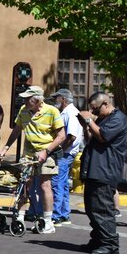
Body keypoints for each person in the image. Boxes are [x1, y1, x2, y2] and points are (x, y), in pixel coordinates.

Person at [0, 86, 65, 234]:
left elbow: (62, 136)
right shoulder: (24, 110)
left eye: (28, 98)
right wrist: (5, 147)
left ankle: (48, 221)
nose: (25, 100)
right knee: (24, 184)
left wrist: (46, 151)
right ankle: (20, 218)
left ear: (37, 100)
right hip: (28, 153)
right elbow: (16, 130)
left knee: (44, 185)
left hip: (47, 152)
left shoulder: (52, 111)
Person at [77, 92, 127, 254]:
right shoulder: (102, 119)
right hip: (94, 170)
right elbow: (91, 137)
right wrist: (86, 125)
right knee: (92, 209)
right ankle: (98, 240)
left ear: (105, 103)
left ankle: (110, 245)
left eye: (95, 109)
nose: (94, 112)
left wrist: (89, 120)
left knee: (102, 210)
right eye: (92, 110)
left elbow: (103, 136)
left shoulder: (118, 119)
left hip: (105, 171)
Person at [49, 88, 83, 226]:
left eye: (56, 98)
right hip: (66, 153)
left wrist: (60, 150)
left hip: (66, 154)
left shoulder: (71, 112)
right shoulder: (67, 112)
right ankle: (64, 214)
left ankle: (57, 215)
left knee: (57, 183)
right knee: (62, 184)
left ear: (63, 99)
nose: (54, 100)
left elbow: (72, 136)